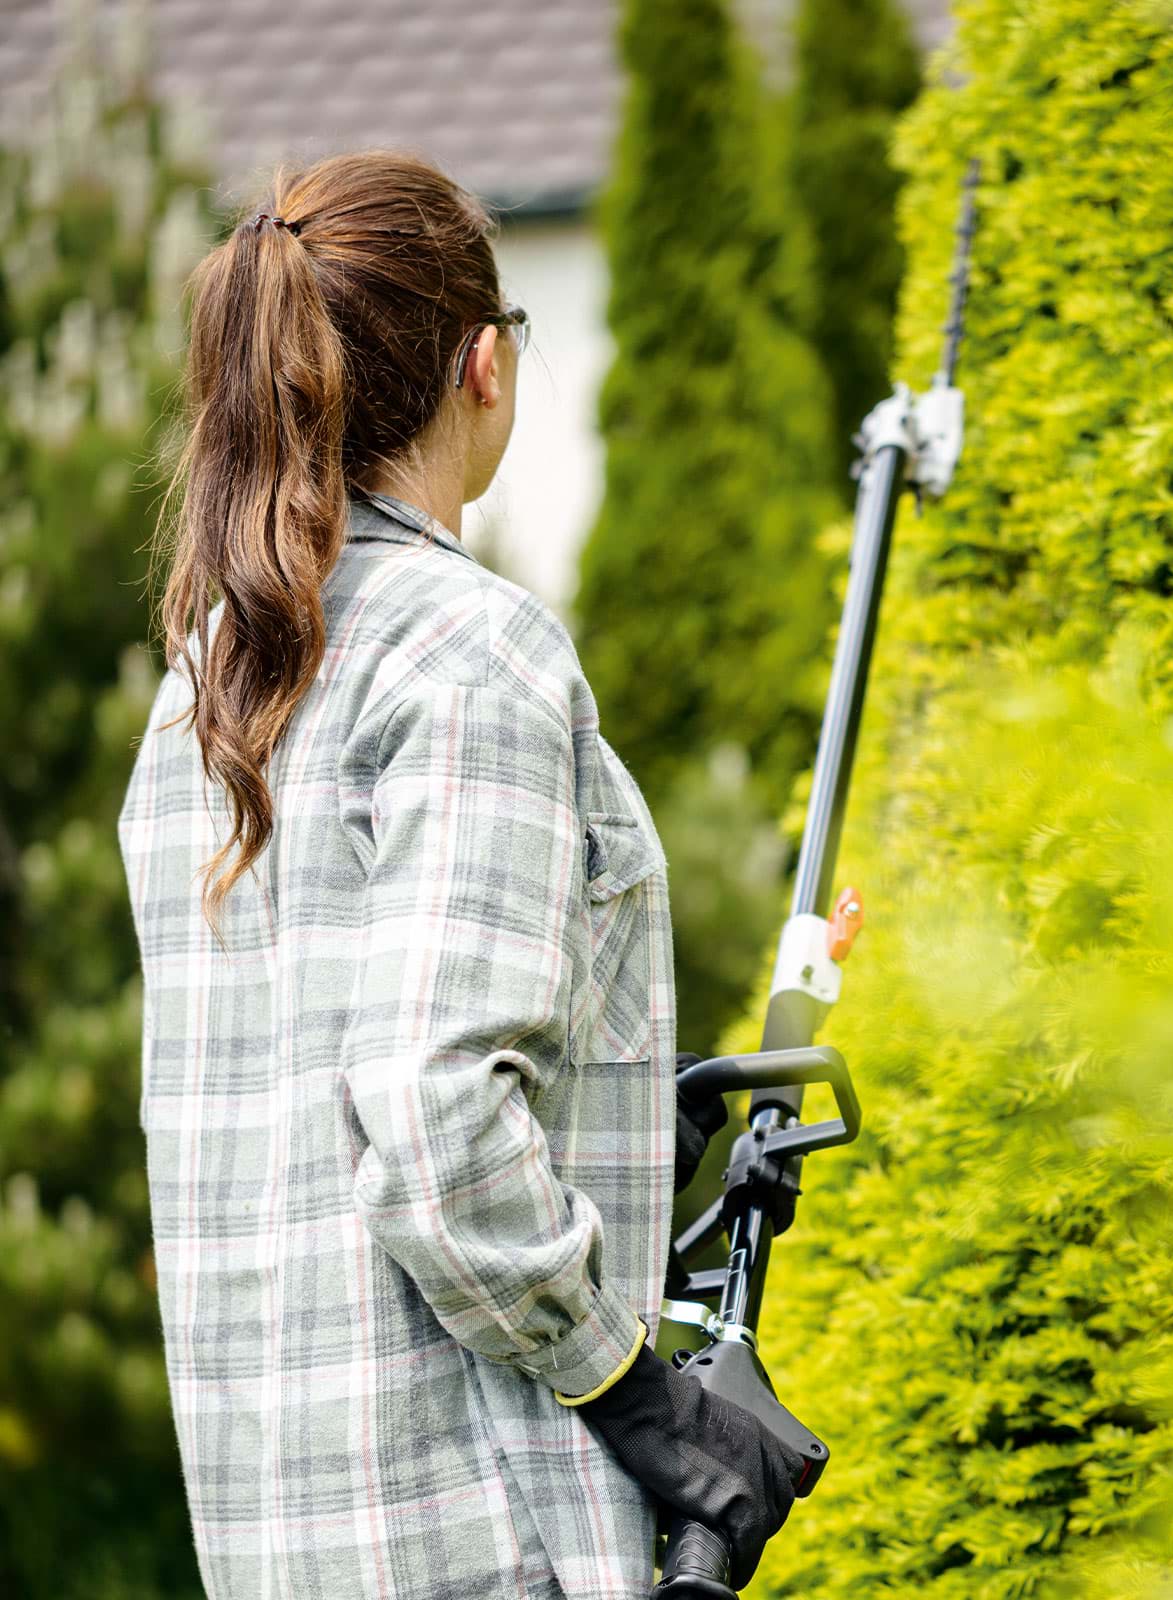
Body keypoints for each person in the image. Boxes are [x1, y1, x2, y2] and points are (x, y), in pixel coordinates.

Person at [116, 149, 804, 1600]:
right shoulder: (474, 652)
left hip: (278, 1541)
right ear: (482, 365)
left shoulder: (204, 687)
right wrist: (643, 1399)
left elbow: (330, 1084)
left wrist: (621, 1111)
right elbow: (436, 1129)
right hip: (487, 1535)